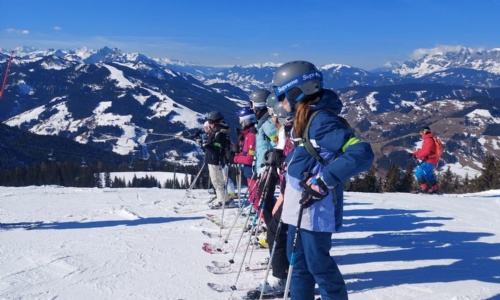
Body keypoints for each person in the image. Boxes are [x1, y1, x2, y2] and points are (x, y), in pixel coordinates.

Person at [273, 60, 374, 299]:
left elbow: (361, 153)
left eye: (281, 96)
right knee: (298, 264)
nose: (279, 103)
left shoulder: (321, 121)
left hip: (315, 209)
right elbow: (310, 155)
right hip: (299, 205)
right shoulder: (305, 119)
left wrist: (323, 181)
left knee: (319, 266)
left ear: (296, 91)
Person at [229, 107, 258, 209]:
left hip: (253, 171)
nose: (240, 123)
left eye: (241, 120)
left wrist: (235, 159)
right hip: (249, 171)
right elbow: (245, 153)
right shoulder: (247, 135)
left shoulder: (251, 136)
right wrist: (236, 154)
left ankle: (261, 216)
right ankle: (257, 212)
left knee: (255, 196)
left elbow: (249, 159)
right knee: (252, 195)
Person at [203, 111, 231, 209]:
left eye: (210, 121)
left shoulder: (220, 134)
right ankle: (225, 200)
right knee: (218, 181)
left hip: (215, 160)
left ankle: (222, 201)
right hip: (212, 159)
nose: (209, 124)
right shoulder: (216, 131)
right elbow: (212, 145)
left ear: (216, 122)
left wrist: (206, 145)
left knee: (217, 182)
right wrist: (205, 144)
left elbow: (217, 149)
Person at [411, 126, 439, 193]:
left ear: (425, 131)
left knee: (418, 173)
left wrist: (417, 156)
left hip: (428, 161)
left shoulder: (429, 140)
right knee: (428, 175)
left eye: (422, 132)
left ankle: (423, 189)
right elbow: (423, 150)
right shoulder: (429, 139)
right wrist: (414, 154)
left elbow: (427, 151)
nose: (421, 134)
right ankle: (434, 188)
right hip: (432, 161)